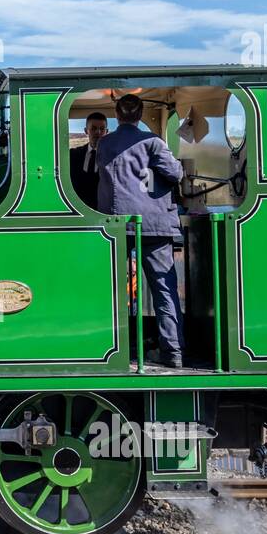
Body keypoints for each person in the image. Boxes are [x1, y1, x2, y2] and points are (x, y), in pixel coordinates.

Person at [97, 94, 186, 368]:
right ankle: (173, 352)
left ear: (117, 114)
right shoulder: (154, 142)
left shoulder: (105, 143)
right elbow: (176, 174)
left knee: (113, 290)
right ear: (140, 114)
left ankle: (115, 350)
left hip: (116, 226)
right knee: (163, 289)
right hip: (154, 225)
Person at [68, 111, 108, 211]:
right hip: (78, 210)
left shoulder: (113, 158)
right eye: (93, 128)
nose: (98, 132)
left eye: (102, 129)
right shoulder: (72, 155)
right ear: (86, 131)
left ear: (106, 131)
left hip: (104, 210)